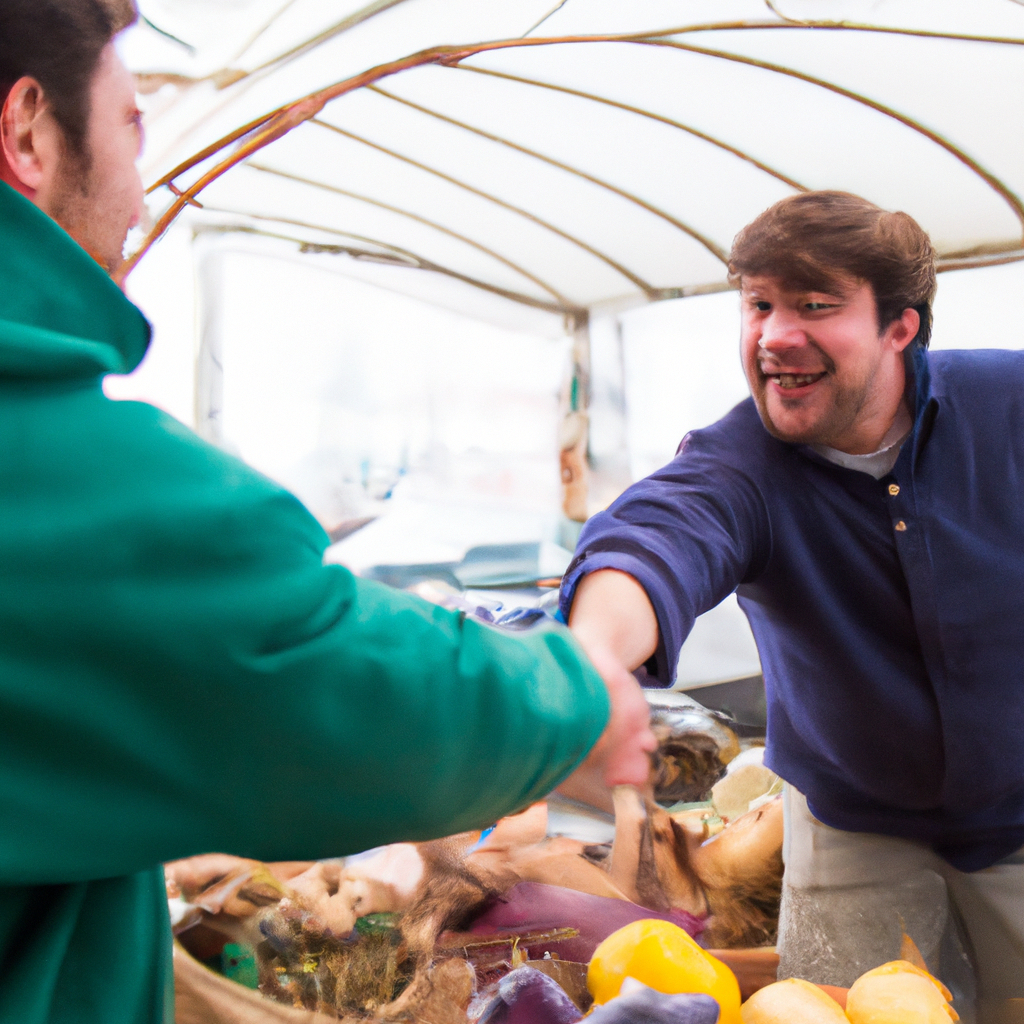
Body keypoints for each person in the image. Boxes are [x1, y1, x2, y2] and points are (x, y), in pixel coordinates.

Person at [0, 3, 655, 1022]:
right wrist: (575, 694)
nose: (138, 189)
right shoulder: (63, 464)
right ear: (28, 133)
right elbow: (314, 670)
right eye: (131, 128)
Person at [561, 190, 1024, 1017]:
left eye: (815, 305)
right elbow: (657, 537)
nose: (775, 335)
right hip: (852, 829)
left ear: (900, 326)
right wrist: (590, 660)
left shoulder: (1008, 409)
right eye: (759, 305)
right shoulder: (741, 466)